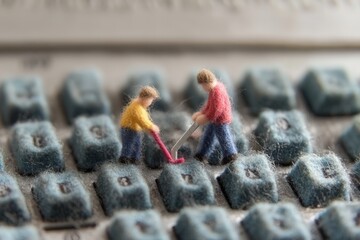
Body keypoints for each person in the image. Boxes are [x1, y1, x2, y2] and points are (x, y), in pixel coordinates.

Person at [192, 69, 238, 164]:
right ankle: (202, 154)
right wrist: (201, 112)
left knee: (223, 136)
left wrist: (206, 117)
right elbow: (209, 105)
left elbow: (217, 109)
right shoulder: (214, 89)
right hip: (215, 119)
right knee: (208, 135)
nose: (203, 88)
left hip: (221, 119)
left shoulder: (217, 91)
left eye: (203, 85)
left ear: (207, 82)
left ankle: (230, 154)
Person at [119, 86, 160, 164]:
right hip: (128, 129)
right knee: (129, 144)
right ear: (145, 98)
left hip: (135, 129)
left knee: (137, 144)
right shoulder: (136, 108)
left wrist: (149, 126)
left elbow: (144, 119)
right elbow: (142, 120)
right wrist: (151, 126)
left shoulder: (139, 105)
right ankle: (124, 158)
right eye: (150, 100)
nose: (151, 103)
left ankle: (135, 158)